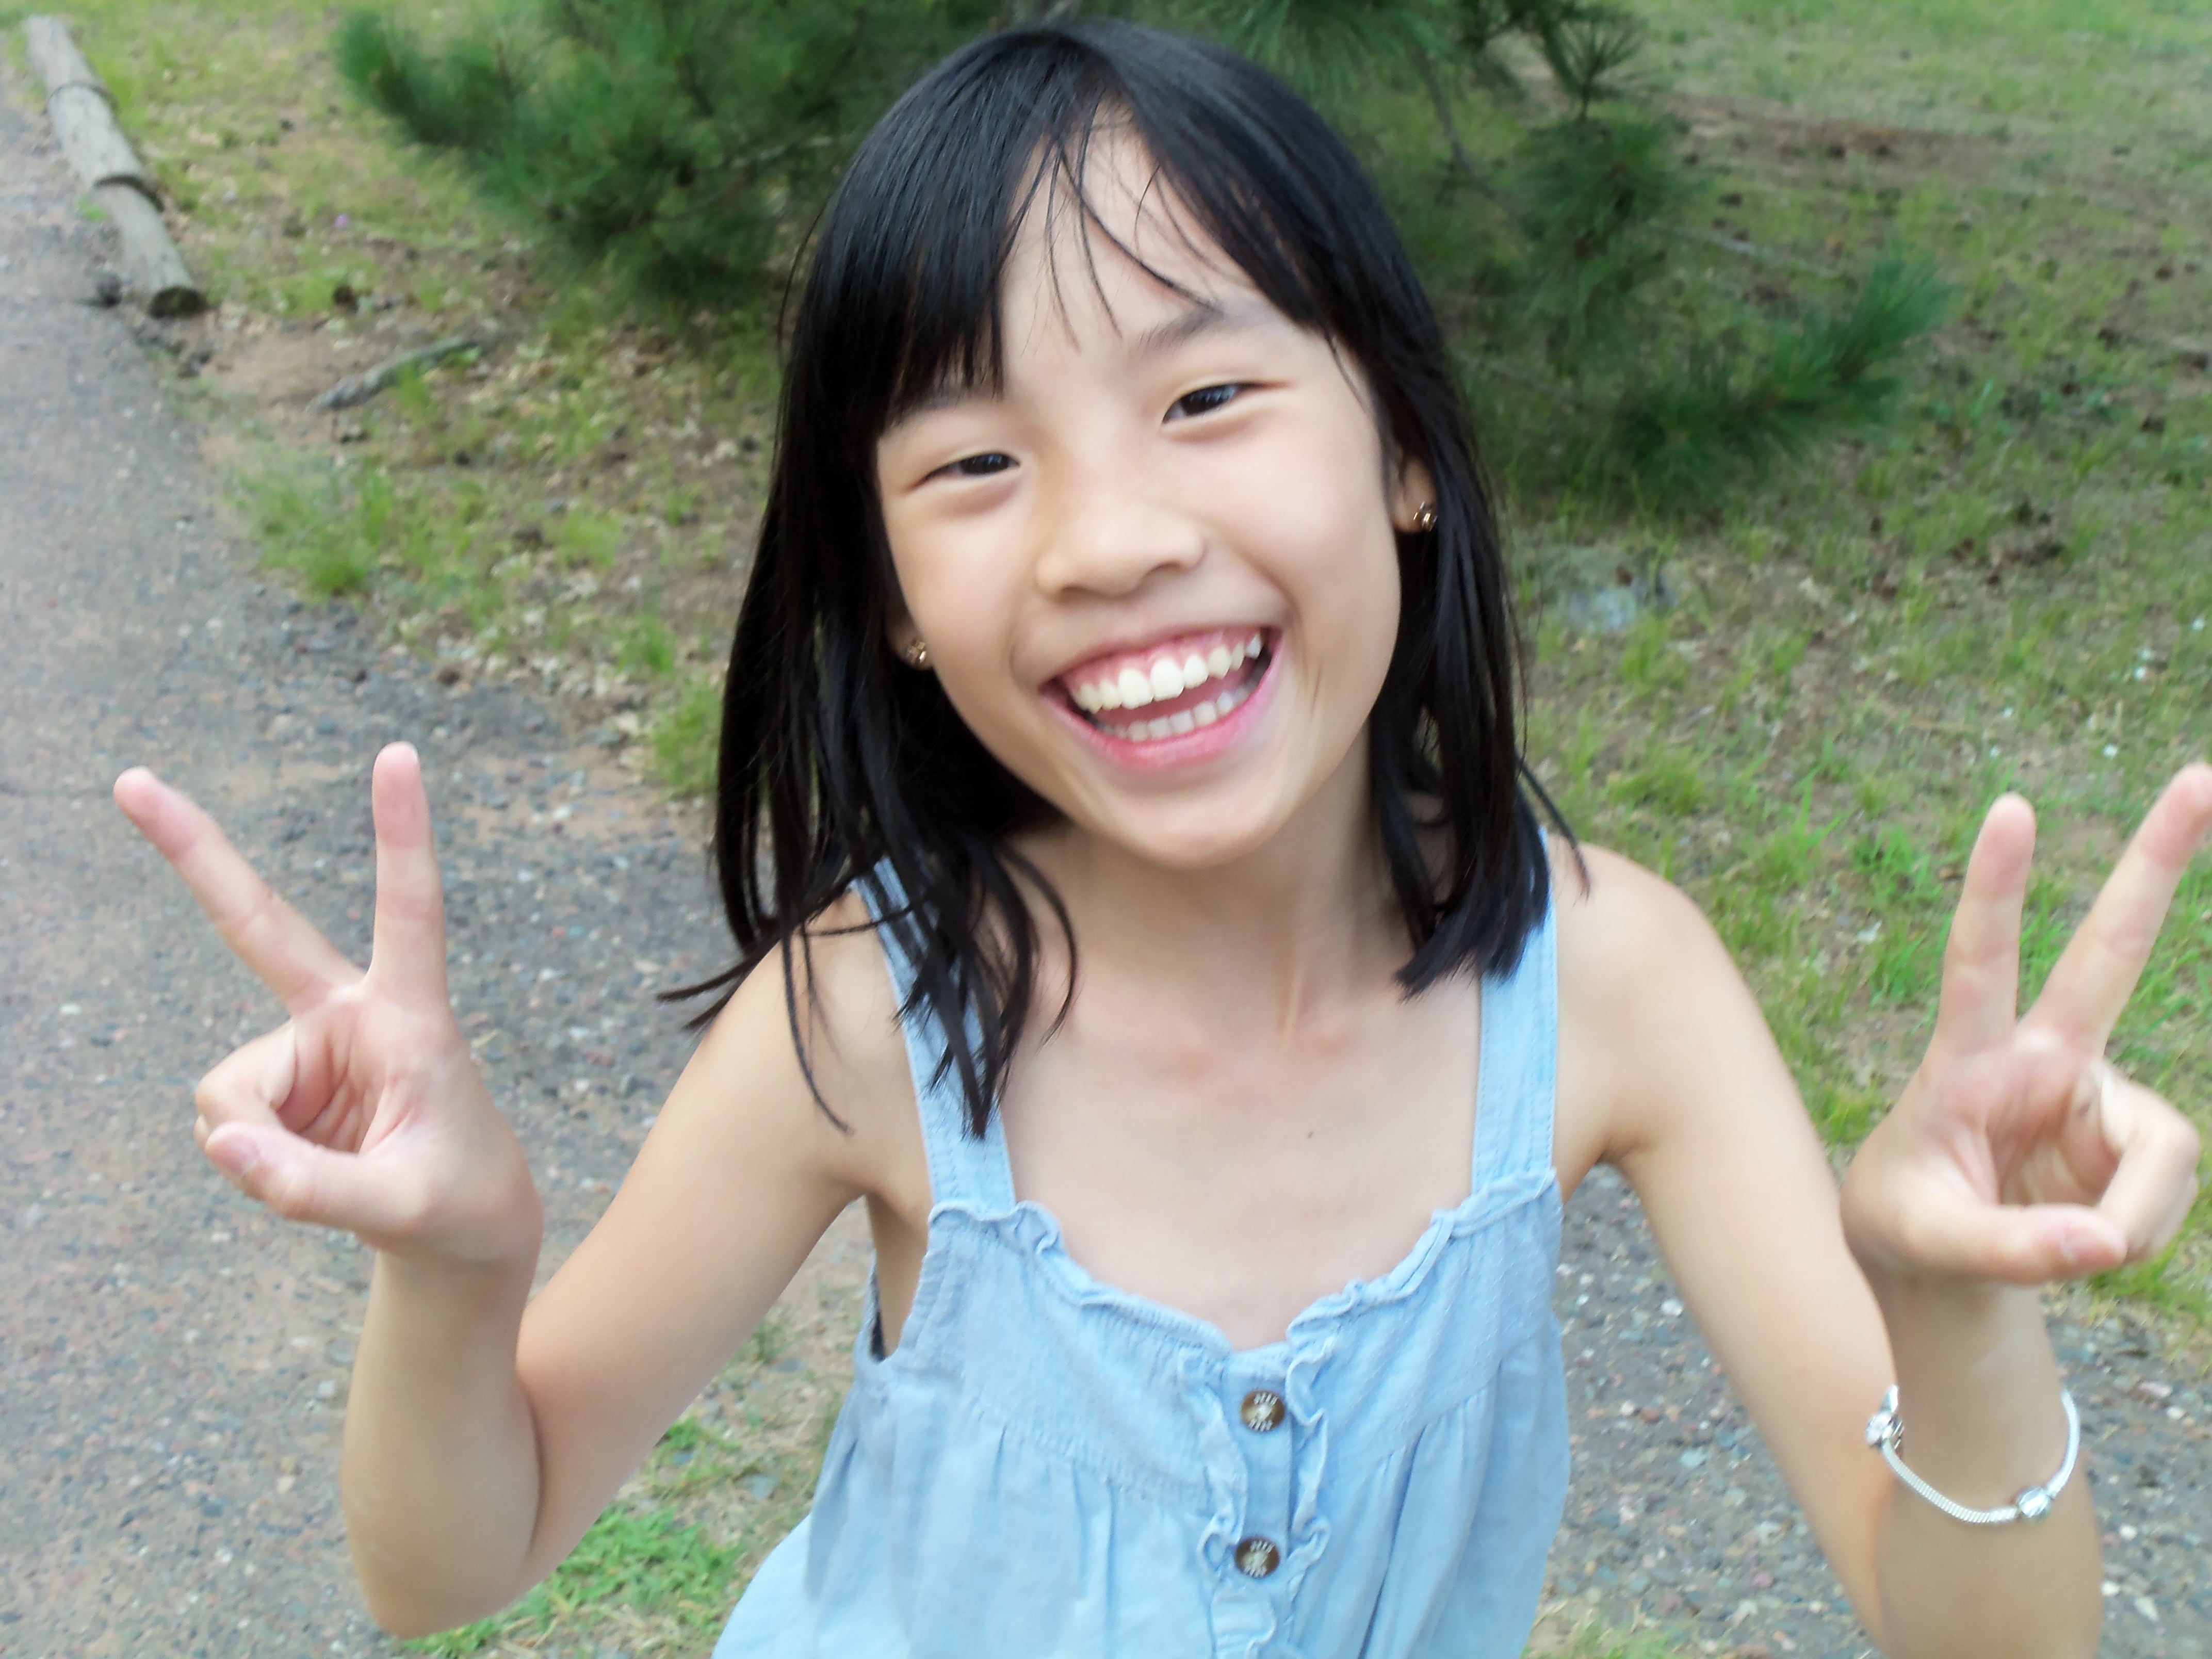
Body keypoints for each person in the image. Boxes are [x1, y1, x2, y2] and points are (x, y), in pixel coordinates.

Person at [113, 21, 2205, 1659]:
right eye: (974, 462)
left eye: (1205, 400)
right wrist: (457, 1274)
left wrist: (1953, 1315)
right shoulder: (866, 1015)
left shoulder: (1613, 987)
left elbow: (1982, 1632)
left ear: (1405, 447)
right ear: (894, 607)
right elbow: (450, 1564)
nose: (1109, 540)